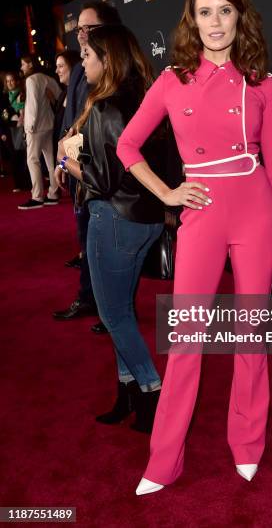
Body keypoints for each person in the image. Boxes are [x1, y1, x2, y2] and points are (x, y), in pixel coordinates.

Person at [117, 0, 272, 494]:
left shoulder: (261, 81)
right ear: (191, 21)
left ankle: (247, 444)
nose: (216, 23)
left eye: (224, 10)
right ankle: (163, 460)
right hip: (201, 216)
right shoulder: (172, 80)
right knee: (187, 340)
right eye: (205, 12)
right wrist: (169, 193)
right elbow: (127, 146)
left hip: (257, 214)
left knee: (250, 336)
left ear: (239, 15)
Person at [55, 24, 165, 432]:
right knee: (122, 311)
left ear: (107, 58)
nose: (83, 64)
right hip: (146, 220)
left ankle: (152, 391)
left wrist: (66, 161)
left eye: (87, 57)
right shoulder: (145, 96)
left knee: (113, 314)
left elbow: (101, 180)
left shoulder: (107, 106)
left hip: (115, 220)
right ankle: (129, 393)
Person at [53, 1, 123, 334]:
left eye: (87, 27)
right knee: (87, 241)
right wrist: (62, 154)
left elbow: (99, 123)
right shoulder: (81, 65)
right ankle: (91, 299)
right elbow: (76, 118)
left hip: (98, 171)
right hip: (77, 165)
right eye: (78, 27)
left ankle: (114, 311)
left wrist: (71, 157)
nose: (79, 33)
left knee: (104, 246)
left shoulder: (110, 66)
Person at [18, 55, 61, 209]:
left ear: (30, 64)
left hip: (35, 127)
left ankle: (37, 197)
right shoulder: (47, 78)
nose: (22, 68)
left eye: (23, 64)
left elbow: (32, 105)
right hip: (49, 125)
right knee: (50, 162)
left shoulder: (31, 80)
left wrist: (29, 126)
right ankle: (53, 193)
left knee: (33, 160)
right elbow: (59, 96)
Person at [0, 72, 30, 191]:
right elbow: (2, 116)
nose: (10, 83)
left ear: (17, 81)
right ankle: (18, 184)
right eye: (7, 81)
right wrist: (2, 132)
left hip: (23, 128)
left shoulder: (23, 93)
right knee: (13, 157)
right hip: (9, 129)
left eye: (12, 80)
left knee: (24, 156)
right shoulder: (3, 97)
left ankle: (28, 182)